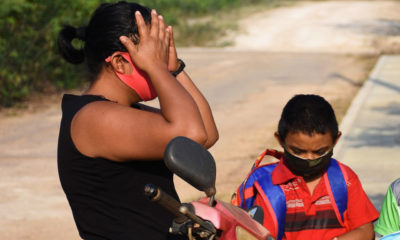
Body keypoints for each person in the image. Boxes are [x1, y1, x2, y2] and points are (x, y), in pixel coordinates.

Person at [57, 1, 218, 240]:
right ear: (120, 62)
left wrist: (174, 69)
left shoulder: (122, 112)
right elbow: (192, 134)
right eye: (153, 56)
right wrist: (157, 67)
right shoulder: (94, 118)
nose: (159, 64)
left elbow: (205, 134)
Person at [232, 94, 378, 240]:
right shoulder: (267, 187)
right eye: (298, 151)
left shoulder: (345, 179)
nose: (309, 159)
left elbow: (365, 230)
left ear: (336, 140)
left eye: (320, 152)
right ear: (280, 140)